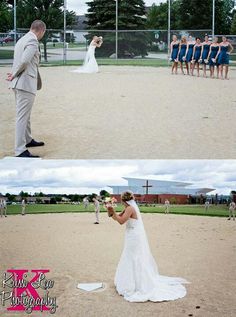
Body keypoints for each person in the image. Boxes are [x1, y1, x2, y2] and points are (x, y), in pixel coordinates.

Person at [106, 191, 188, 302]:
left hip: (133, 237)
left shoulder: (130, 209)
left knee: (133, 257)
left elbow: (121, 221)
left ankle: (137, 284)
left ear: (123, 200)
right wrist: (111, 211)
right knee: (131, 256)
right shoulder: (128, 208)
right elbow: (118, 217)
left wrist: (113, 213)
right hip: (131, 235)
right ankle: (133, 282)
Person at [7, 20, 46, 158]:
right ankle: (20, 150)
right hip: (25, 83)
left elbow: (18, 60)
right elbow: (24, 61)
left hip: (19, 83)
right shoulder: (33, 41)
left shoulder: (22, 39)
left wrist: (13, 74)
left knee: (25, 114)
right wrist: (14, 74)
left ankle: (28, 140)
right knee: (22, 117)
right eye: (43, 33)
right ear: (41, 30)